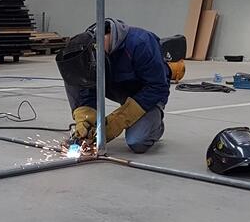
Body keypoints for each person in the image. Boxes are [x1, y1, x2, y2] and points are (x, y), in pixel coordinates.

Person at [63, 18, 170, 154]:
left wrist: (118, 120)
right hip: (114, 86)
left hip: (145, 93)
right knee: (74, 75)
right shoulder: (88, 48)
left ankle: (155, 127)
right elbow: (85, 86)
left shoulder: (141, 43)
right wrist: (85, 118)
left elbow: (158, 88)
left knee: (137, 141)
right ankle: (88, 127)